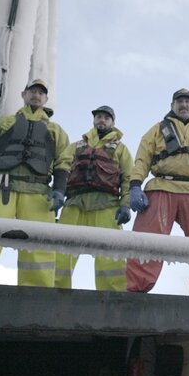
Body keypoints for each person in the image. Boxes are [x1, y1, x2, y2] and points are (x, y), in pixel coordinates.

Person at [0, 78, 70, 287]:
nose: (36, 95)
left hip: (38, 194)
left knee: (40, 248)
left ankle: (36, 297)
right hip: (2, 189)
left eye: (41, 93)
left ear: (46, 99)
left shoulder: (56, 131)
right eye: (32, 91)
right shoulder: (4, 123)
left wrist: (59, 190)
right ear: (24, 94)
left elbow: (63, 162)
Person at [126, 88, 189, 296]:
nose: (183, 105)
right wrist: (135, 185)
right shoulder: (156, 130)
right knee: (147, 239)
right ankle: (135, 291)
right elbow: (142, 158)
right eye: (179, 102)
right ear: (172, 105)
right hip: (162, 186)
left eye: (187, 101)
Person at [54, 105, 132, 291]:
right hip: (74, 204)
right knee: (60, 254)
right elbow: (62, 167)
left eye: (106, 117)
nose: (102, 120)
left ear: (113, 122)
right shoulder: (76, 146)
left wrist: (125, 204)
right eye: (98, 117)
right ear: (93, 120)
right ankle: (55, 295)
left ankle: (113, 301)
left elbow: (128, 177)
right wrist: (57, 192)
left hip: (106, 206)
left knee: (111, 259)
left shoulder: (121, 149)